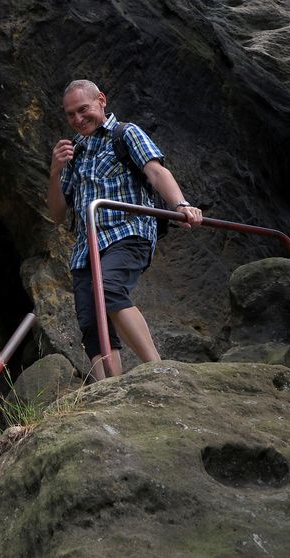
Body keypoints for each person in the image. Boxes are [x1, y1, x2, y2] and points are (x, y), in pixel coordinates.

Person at [47, 79, 204, 380]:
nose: (78, 119)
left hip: (128, 232)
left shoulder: (125, 133)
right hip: (86, 249)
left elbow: (156, 170)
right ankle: (110, 392)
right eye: (70, 115)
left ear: (101, 101)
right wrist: (55, 172)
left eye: (84, 110)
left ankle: (159, 371)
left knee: (108, 289)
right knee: (91, 320)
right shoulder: (74, 154)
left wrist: (181, 205)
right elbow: (56, 213)